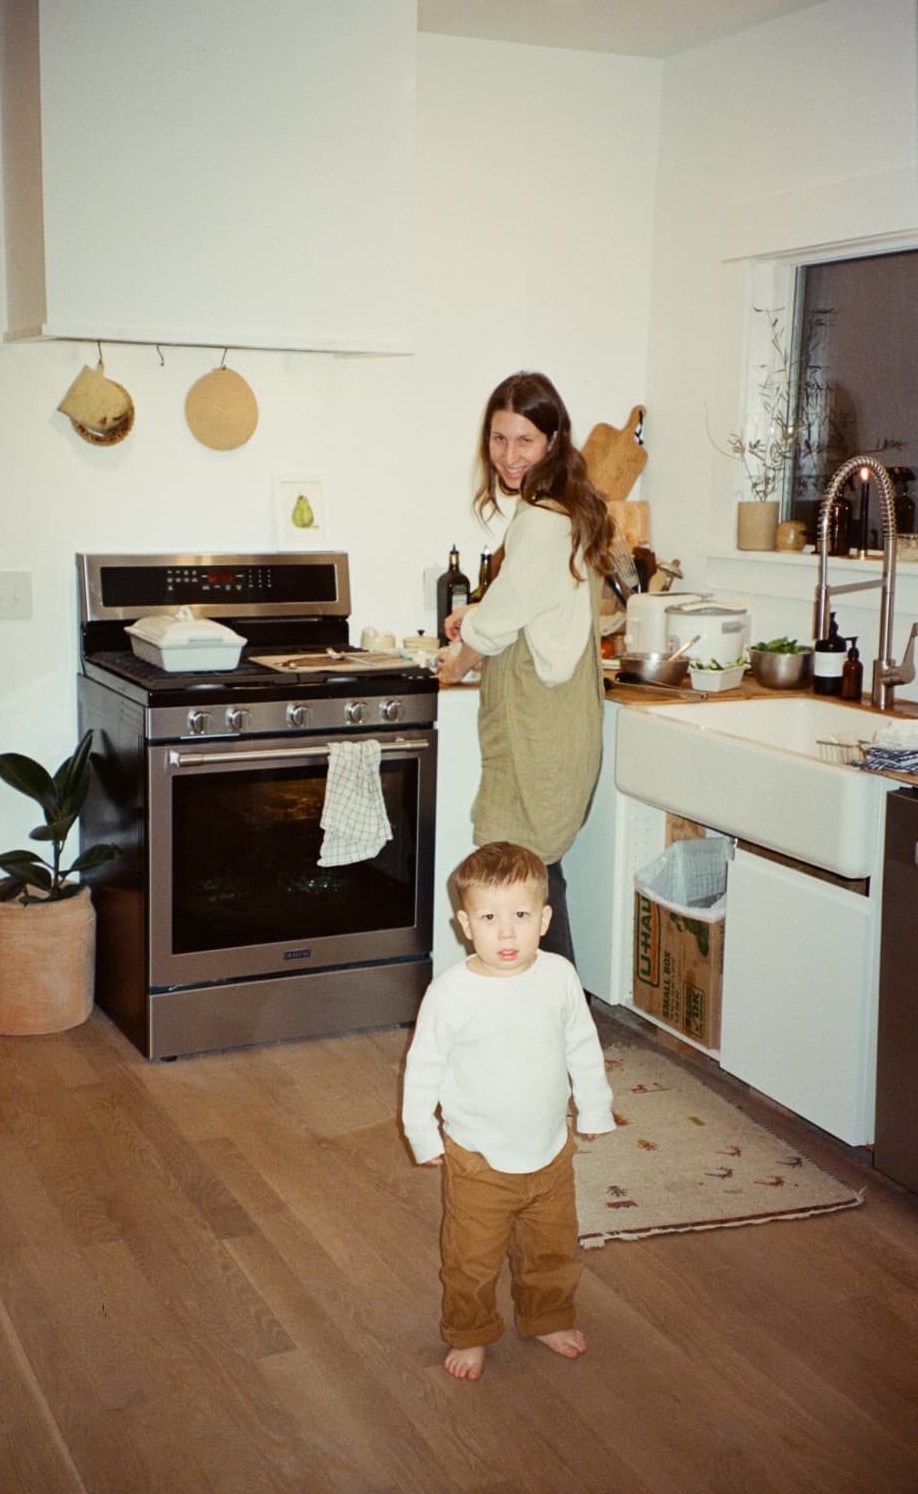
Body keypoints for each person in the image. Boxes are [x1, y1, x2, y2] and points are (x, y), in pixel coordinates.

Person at [402, 841, 616, 1383]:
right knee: (471, 1260)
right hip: (479, 1160)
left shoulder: (560, 977)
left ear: (544, 919)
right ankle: (470, 1331)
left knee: (552, 1250)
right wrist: (423, 1136)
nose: (506, 932)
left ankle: (546, 1316)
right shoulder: (450, 994)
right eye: (490, 918)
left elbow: (582, 1047)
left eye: (520, 916)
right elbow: (423, 1069)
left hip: (549, 1151)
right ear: (464, 924)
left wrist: (594, 1107)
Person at [437, 371, 614, 964]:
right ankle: (553, 1025)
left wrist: (457, 661)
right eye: (498, 439)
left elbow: (499, 623)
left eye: (524, 441)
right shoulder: (563, 507)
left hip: (540, 724)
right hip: (558, 718)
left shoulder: (542, 518)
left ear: (553, 441)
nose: (509, 456)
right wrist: (483, 616)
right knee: (533, 876)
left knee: (521, 883)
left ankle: (556, 1025)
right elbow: (531, 601)